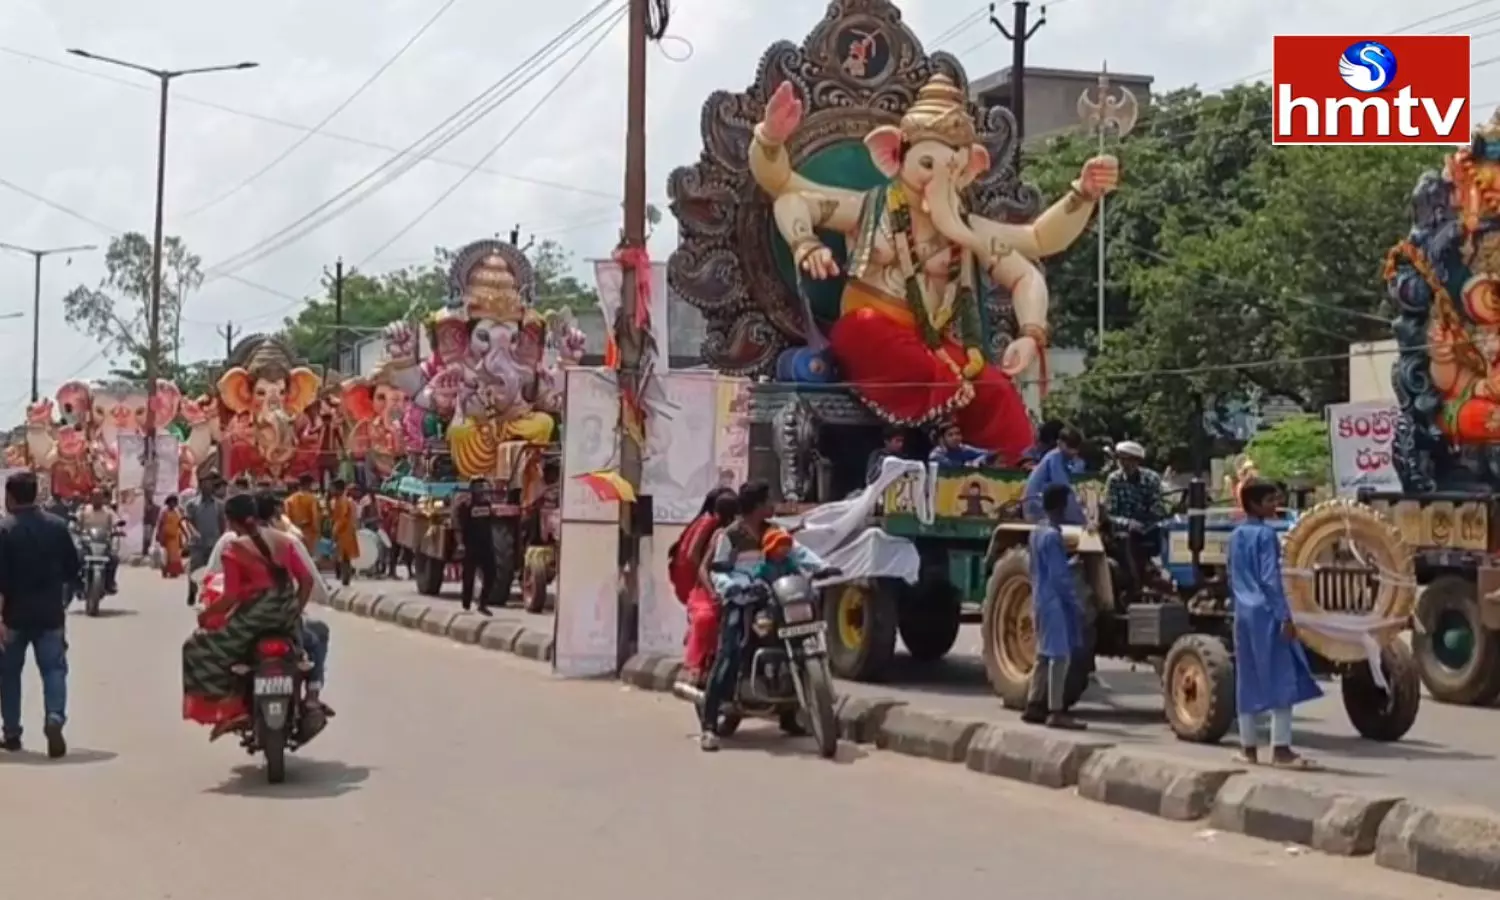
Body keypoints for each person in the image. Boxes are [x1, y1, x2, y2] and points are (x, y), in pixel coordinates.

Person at [699, 480, 833, 752]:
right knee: (730, 652)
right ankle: (710, 725)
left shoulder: (775, 531)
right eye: (768, 501)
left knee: (792, 640)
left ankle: (789, 716)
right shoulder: (731, 535)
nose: (773, 505)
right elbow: (718, 571)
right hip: (743, 601)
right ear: (756, 507)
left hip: (776, 597)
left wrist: (823, 568)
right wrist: (733, 587)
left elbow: (798, 553)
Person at [182, 493, 317, 739]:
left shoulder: (234, 548)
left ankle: (231, 708)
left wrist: (206, 616)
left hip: (253, 621)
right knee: (312, 642)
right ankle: (312, 697)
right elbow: (306, 580)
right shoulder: (285, 542)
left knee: (196, 647)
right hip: (285, 617)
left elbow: (231, 596)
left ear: (231, 522)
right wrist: (294, 610)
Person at [1228, 478, 1322, 769]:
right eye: (1270, 500)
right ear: (1255, 504)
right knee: (1282, 677)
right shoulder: (1266, 536)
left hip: (1243, 612)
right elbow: (1270, 579)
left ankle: (1248, 748)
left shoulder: (1236, 536)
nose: (1275, 506)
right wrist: (1285, 615)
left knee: (1248, 679)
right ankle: (1281, 749)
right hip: (1267, 613)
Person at [0, 472, 80, 757]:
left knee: (9, 674)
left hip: (13, 615)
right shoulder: (58, 527)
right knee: (54, 669)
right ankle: (54, 718)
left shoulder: (5, 530)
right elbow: (73, 568)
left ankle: (11, 733)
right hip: (50, 613)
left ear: (10, 497)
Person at [1023, 483, 1087, 730]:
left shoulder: (1037, 532)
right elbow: (1060, 577)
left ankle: (1034, 704)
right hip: (1054, 602)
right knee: (1060, 657)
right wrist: (1075, 602)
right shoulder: (1052, 536)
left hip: (1039, 596)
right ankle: (1056, 710)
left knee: (1042, 653)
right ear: (1061, 506)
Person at [669, 487, 737, 685]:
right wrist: (708, 575)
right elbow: (693, 555)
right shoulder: (712, 526)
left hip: (723, 581)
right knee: (708, 617)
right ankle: (698, 666)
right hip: (708, 582)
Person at [1105, 440, 1167, 585]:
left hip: (1149, 525)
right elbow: (1110, 512)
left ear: (1137, 461)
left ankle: (1164, 575)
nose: (1124, 464)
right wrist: (1128, 523)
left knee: (1167, 533)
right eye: (1121, 459)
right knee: (1125, 539)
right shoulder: (1114, 480)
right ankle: (1135, 581)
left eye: (1128, 460)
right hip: (1124, 528)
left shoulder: (1151, 479)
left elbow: (1158, 506)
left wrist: (1147, 521)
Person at [1022, 426, 1085, 524]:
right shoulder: (1055, 458)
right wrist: (1082, 520)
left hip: (1040, 504)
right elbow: (1064, 488)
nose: (1074, 451)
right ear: (1059, 443)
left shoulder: (1063, 459)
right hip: (1035, 506)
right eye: (1070, 446)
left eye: (1076, 447)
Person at [452, 477, 496, 615]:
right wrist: (460, 544)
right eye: (478, 487)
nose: (481, 490)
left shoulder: (487, 505)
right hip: (470, 545)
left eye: (483, 486)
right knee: (468, 576)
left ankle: (483, 603)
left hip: (486, 545)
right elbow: (458, 526)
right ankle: (466, 604)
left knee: (491, 574)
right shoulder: (465, 505)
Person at [185, 477, 227, 606]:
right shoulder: (192, 504)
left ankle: (207, 594)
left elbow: (222, 523)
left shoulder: (219, 505)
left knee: (212, 571)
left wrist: (221, 538)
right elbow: (188, 522)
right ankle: (192, 591)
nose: (207, 487)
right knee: (194, 569)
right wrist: (192, 534)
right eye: (204, 485)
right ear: (200, 487)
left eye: (209, 485)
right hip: (197, 544)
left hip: (213, 543)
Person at [76, 489, 119, 593]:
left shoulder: (108, 512)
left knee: (114, 559)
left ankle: (110, 582)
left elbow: (116, 522)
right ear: (91, 498)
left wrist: (117, 528)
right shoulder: (84, 510)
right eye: (95, 497)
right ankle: (77, 582)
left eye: (99, 497)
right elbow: (76, 520)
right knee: (77, 557)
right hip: (87, 543)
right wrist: (74, 525)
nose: (97, 500)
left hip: (103, 543)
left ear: (103, 498)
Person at [328, 479, 358, 587]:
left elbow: (343, 518)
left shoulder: (343, 501)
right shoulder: (338, 500)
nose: (330, 490)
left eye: (332, 488)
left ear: (338, 489)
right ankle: (345, 578)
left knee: (345, 557)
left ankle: (346, 579)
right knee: (343, 557)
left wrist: (335, 530)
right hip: (344, 532)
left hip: (344, 532)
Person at [156, 495, 193, 579]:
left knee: (175, 555)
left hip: (175, 538)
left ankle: (174, 571)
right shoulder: (164, 513)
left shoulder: (177, 513)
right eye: (171, 502)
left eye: (174, 502)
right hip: (166, 538)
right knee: (167, 556)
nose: (172, 504)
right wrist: (158, 535)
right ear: (168, 503)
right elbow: (160, 524)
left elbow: (180, 524)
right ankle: (165, 570)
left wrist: (186, 534)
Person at [928, 421, 993, 468]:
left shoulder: (964, 449)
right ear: (942, 439)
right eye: (950, 435)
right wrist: (969, 464)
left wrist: (977, 461)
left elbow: (987, 454)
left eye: (958, 434)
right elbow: (952, 466)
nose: (955, 438)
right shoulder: (936, 455)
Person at [284, 474, 322, 553]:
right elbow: (315, 517)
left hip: (294, 531)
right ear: (308, 484)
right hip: (309, 532)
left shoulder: (289, 500)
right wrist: (318, 531)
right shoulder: (312, 499)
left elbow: (287, 518)